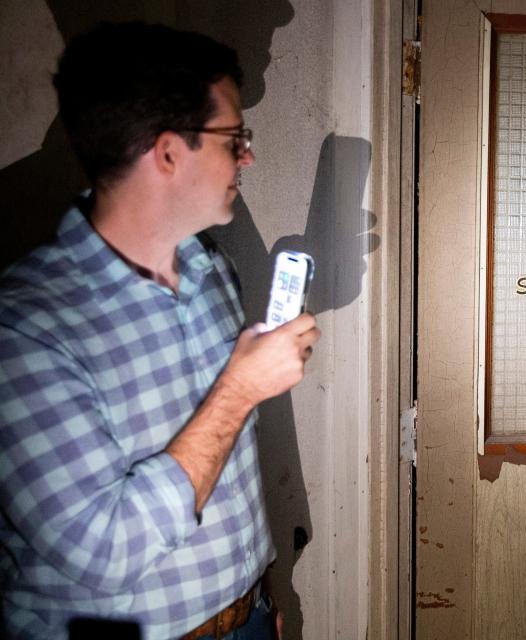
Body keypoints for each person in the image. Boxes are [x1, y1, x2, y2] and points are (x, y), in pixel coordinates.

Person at [0, 22, 319, 640]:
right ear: (169, 152)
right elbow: (105, 551)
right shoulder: (25, 328)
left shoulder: (210, 269)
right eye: (235, 138)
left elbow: (225, 468)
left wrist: (258, 599)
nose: (247, 154)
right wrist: (240, 389)